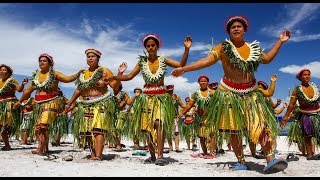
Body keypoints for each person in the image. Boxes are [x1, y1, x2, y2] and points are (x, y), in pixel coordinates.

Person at [171, 15, 291, 173]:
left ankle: (270, 159)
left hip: (251, 93)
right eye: (232, 27)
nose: (236, 28)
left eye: (239, 26)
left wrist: (280, 42)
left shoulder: (253, 48)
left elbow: (267, 59)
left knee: (261, 126)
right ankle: (241, 161)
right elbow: (206, 61)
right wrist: (185, 69)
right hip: (229, 93)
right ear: (229, 31)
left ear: (244, 30)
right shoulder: (222, 48)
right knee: (234, 130)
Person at [109, 33, 192, 166]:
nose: (151, 47)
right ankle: (152, 154)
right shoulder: (142, 62)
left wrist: (186, 49)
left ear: (158, 46)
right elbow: (130, 76)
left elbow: (180, 64)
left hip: (161, 98)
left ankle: (160, 155)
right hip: (146, 98)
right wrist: (115, 76)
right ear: (145, 48)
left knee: (159, 124)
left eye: (153, 45)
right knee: (147, 127)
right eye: (148, 46)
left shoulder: (163, 59)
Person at [13, 53, 83, 155]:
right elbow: (28, 91)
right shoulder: (36, 77)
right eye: (40, 61)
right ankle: (44, 148)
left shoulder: (55, 74)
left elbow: (68, 79)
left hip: (51, 102)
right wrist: (19, 102)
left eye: (44, 61)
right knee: (39, 128)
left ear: (50, 63)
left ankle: (41, 149)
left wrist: (78, 73)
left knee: (43, 125)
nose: (41, 62)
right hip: (38, 104)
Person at [64, 48, 121, 161]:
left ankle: (99, 155)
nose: (90, 58)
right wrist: (70, 102)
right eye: (88, 56)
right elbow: (78, 90)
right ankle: (93, 154)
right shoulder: (84, 73)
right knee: (87, 132)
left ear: (98, 58)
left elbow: (115, 86)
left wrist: (118, 74)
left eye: (92, 56)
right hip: (85, 104)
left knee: (98, 129)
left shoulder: (104, 70)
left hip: (101, 103)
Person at [281, 68, 320, 160]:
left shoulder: (315, 88)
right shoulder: (297, 90)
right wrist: (286, 117)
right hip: (305, 115)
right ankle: (310, 155)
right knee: (307, 135)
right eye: (305, 75)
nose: (307, 76)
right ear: (300, 77)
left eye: (308, 74)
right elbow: (291, 104)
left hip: (316, 114)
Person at [177, 75, 216, 159]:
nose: (203, 82)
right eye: (201, 81)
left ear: (207, 82)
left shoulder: (213, 92)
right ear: (199, 83)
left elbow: (217, 103)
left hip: (211, 116)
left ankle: (212, 153)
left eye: (205, 81)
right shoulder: (196, 93)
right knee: (201, 136)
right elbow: (189, 105)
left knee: (212, 134)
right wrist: (182, 113)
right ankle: (205, 152)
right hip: (200, 116)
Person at [0, 64, 28, 150]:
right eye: (0, 70)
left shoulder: (11, 80)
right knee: (1, 126)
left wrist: (23, 84)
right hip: (1, 106)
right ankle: (7, 145)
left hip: (9, 105)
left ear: (9, 73)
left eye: (4, 70)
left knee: (4, 125)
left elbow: (19, 90)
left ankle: (7, 144)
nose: (1, 71)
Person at [166, 84, 185, 153]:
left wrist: (182, 112)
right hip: (167, 117)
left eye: (171, 88)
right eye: (168, 88)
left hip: (175, 117)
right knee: (168, 133)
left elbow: (182, 105)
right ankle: (170, 147)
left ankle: (177, 147)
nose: (170, 90)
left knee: (176, 133)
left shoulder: (177, 97)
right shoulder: (164, 97)